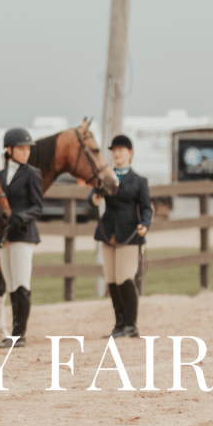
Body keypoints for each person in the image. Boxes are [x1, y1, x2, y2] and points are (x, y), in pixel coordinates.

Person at [90, 134, 152, 338]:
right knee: (112, 280)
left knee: (125, 278)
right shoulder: (107, 177)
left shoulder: (139, 181)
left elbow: (146, 208)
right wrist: (95, 198)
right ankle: (119, 324)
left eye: (121, 150)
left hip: (130, 233)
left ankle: (131, 325)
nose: (117, 153)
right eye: (114, 150)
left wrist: (145, 223)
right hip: (109, 233)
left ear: (129, 153)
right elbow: (93, 196)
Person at [0, 128, 43, 349]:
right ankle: (15, 332)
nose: (26, 152)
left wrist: (19, 218)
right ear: (9, 149)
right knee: (11, 284)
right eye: (21, 149)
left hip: (23, 234)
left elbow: (37, 207)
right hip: (5, 237)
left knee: (22, 283)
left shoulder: (32, 173)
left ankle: (19, 335)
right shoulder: (0, 176)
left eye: (27, 149)